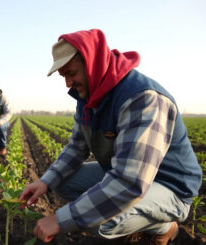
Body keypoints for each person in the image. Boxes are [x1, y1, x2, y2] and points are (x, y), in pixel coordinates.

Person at [19, 29, 202, 244]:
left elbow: (130, 182)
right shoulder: (87, 97)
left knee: (97, 221)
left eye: (71, 73)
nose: (68, 83)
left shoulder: (142, 99)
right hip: (127, 175)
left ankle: (164, 227)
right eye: (63, 77)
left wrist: (60, 219)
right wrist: (45, 182)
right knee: (63, 183)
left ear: (92, 63)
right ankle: (134, 218)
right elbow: (76, 147)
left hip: (170, 186)